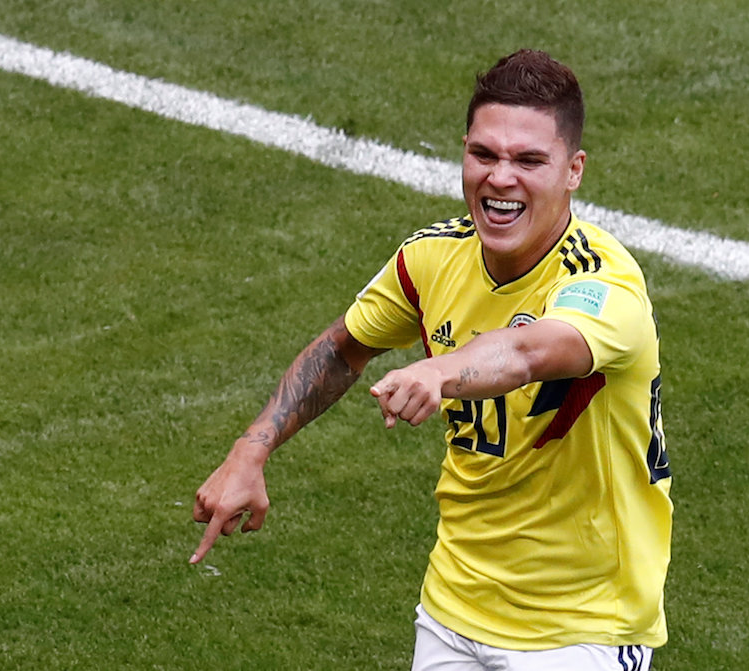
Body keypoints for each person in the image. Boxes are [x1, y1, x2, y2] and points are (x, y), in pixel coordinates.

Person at [191, 49, 673, 670]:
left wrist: (438, 370)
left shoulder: (602, 281)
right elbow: (343, 349)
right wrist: (250, 449)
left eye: (530, 160)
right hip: (452, 612)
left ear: (573, 170)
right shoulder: (430, 260)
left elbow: (528, 351)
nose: (501, 179)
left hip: (581, 630)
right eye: (484, 155)